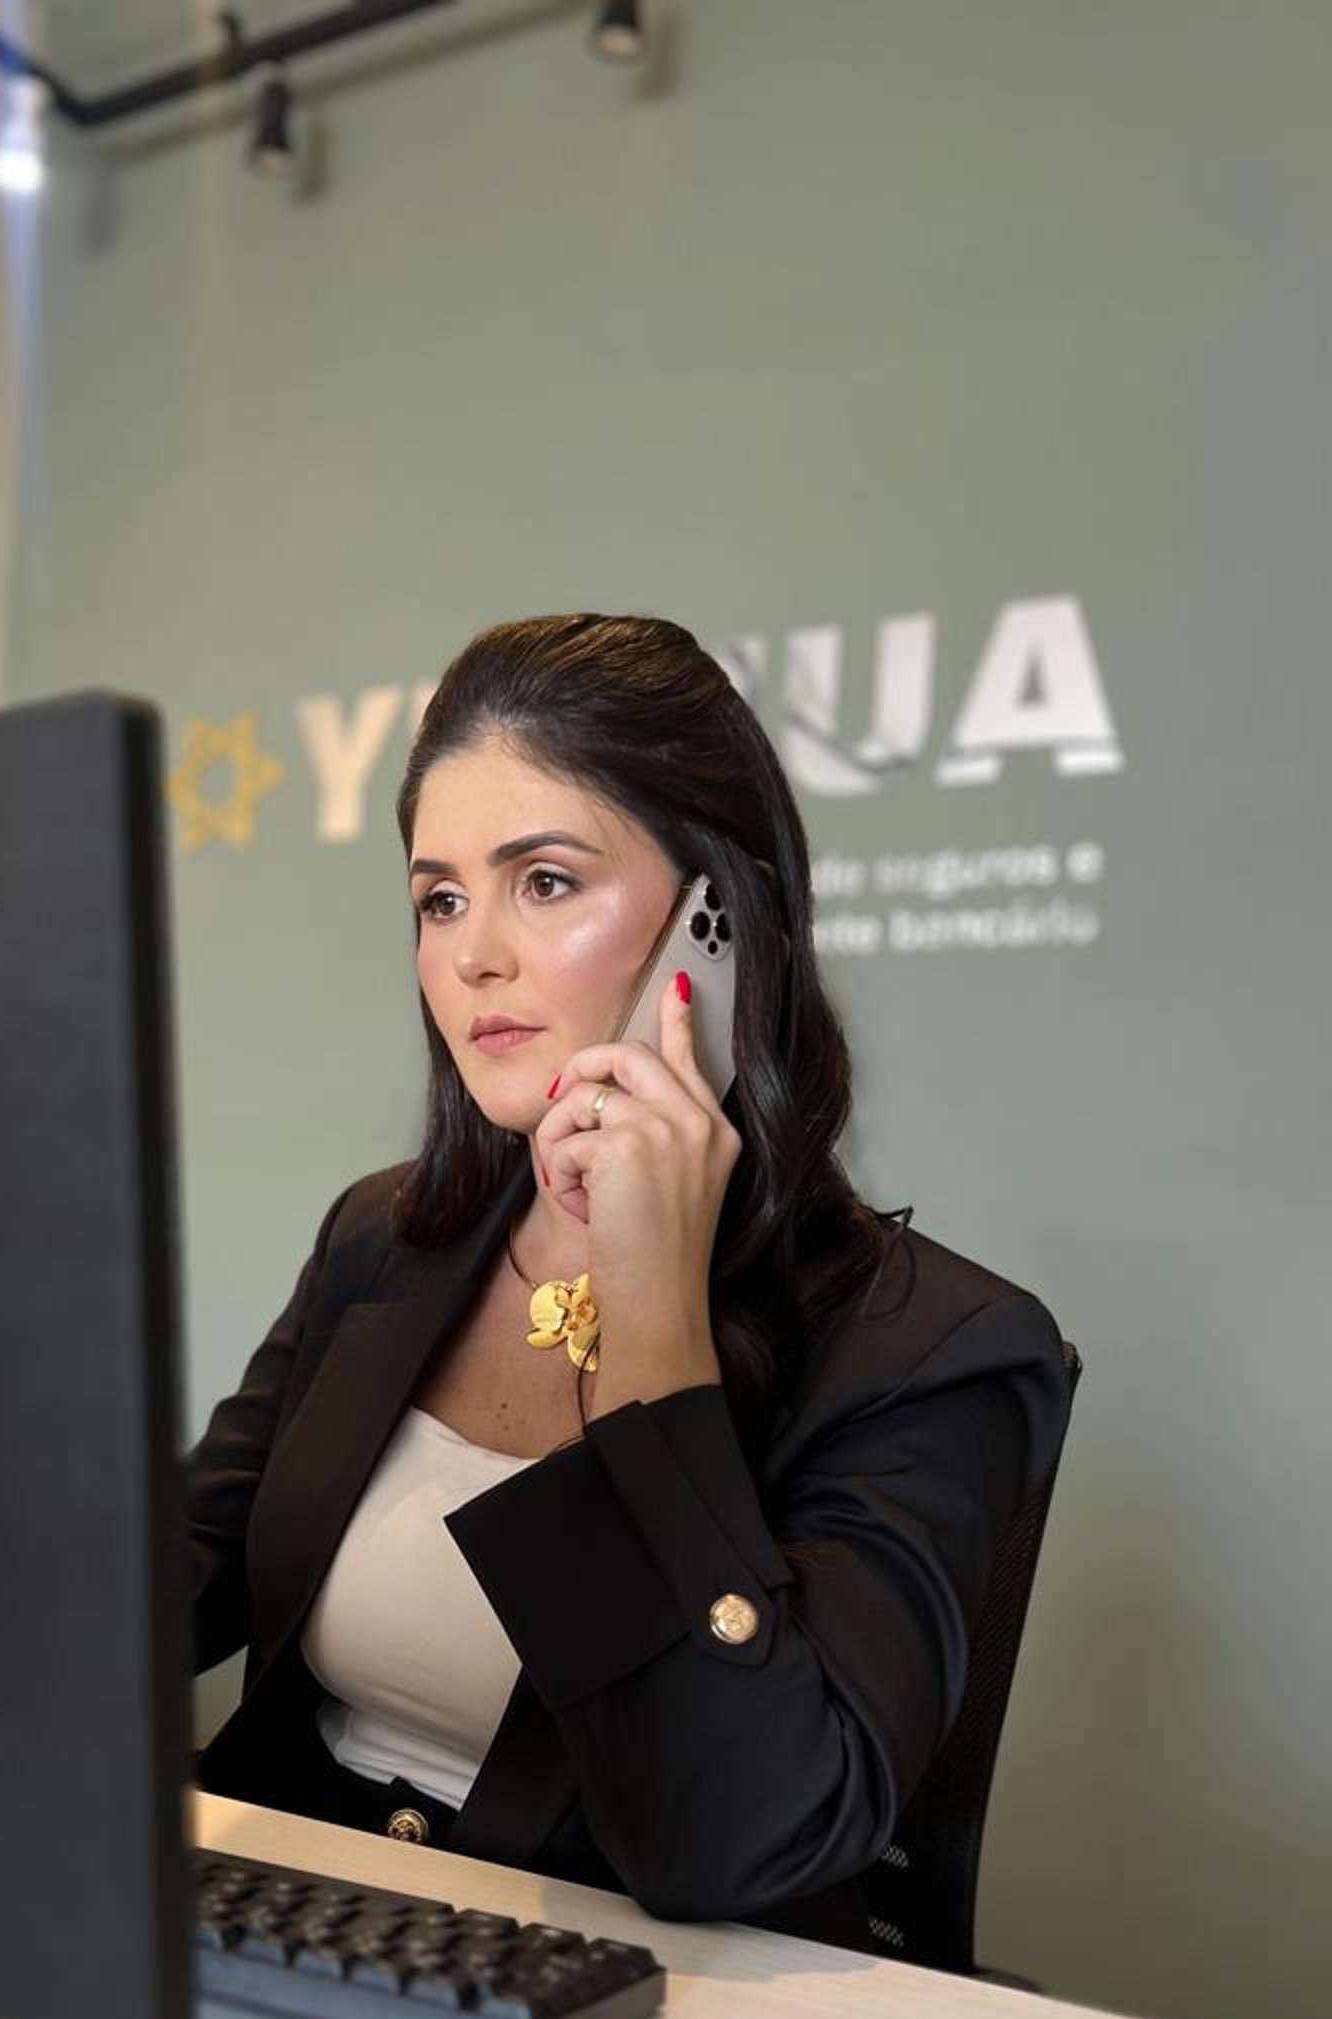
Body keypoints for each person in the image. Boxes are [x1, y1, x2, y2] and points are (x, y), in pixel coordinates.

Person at [190, 612, 1072, 1951]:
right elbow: (177, 1576)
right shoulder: (386, 1239)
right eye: (439, 898)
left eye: (543, 881)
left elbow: (735, 1838)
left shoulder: (937, 1348)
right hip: (293, 1948)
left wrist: (652, 1326)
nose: (471, 953)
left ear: (716, 924)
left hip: (642, 2015)